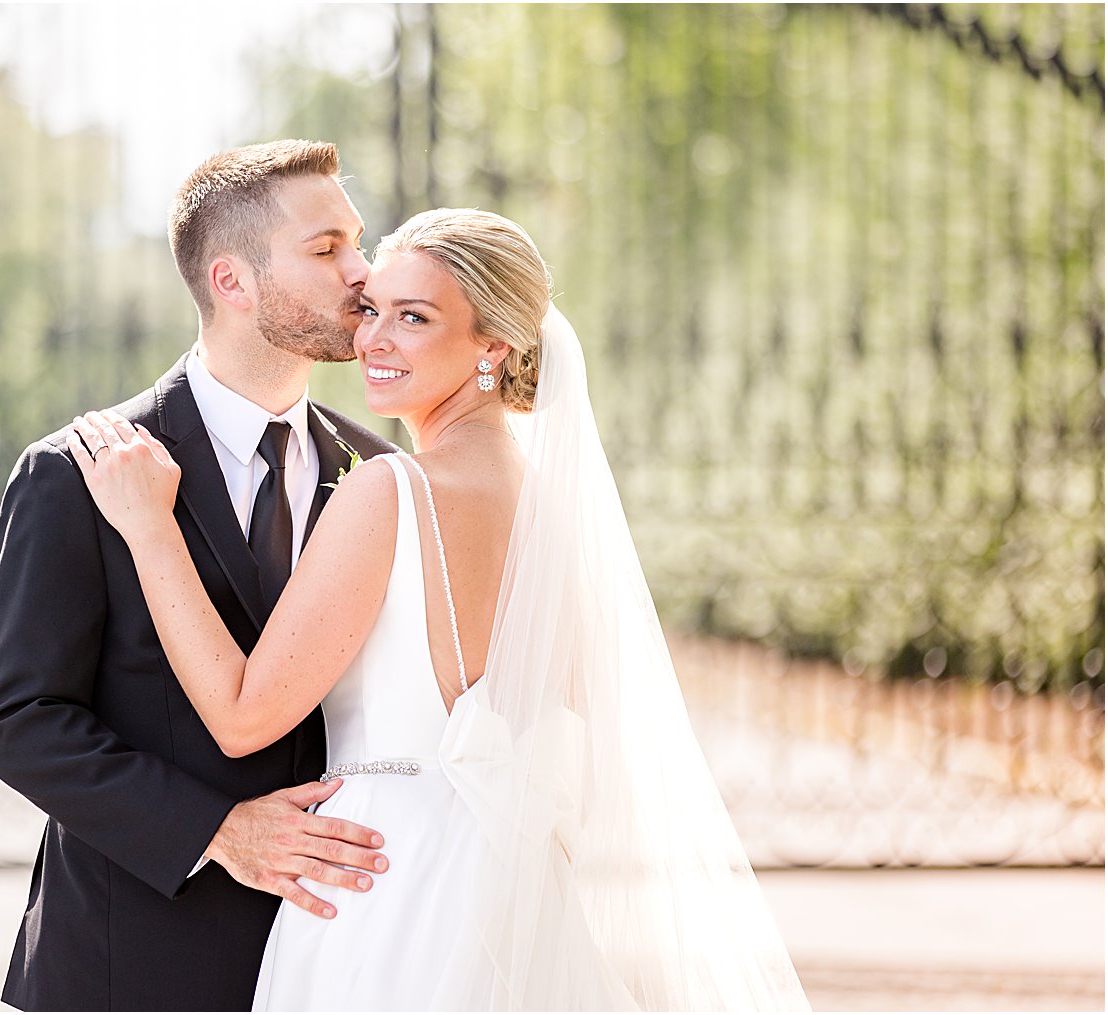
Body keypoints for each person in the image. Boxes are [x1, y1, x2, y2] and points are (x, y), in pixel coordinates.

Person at [69, 208, 811, 1010]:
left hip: (383, 882)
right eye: (373, 309)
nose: (373, 339)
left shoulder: (389, 490)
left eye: (414, 317)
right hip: (516, 885)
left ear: (494, 345)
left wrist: (149, 527)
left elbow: (245, 716)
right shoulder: (553, 509)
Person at [0, 140, 399, 1011]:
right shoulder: (75, 473)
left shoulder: (382, 472)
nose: (364, 274)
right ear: (231, 280)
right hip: (129, 959)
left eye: (359, 242)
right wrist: (218, 832)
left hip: (333, 951)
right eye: (326, 250)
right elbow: (19, 722)